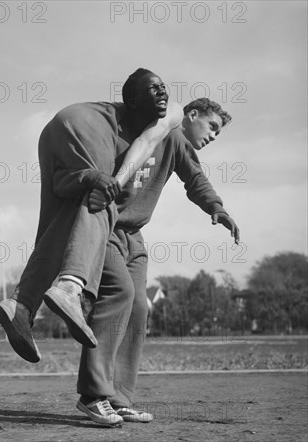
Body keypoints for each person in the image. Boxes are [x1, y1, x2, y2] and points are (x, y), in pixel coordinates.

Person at [0, 68, 183, 363]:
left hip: (56, 130)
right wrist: (115, 182)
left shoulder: (133, 119)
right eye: (153, 88)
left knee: (57, 224)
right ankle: (71, 287)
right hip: (85, 127)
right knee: (103, 201)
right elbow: (147, 143)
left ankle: (21, 305)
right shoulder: (175, 114)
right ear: (131, 101)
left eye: (163, 86)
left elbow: (64, 184)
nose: (162, 92)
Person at [75, 91, 238, 426]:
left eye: (219, 132)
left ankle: (118, 399)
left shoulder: (178, 146)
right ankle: (92, 395)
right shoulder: (151, 128)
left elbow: (195, 180)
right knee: (119, 293)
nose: (213, 135)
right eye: (212, 126)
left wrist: (217, 208)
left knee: (138, 309)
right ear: (190, 115)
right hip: (103, 226)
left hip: (134, 236)